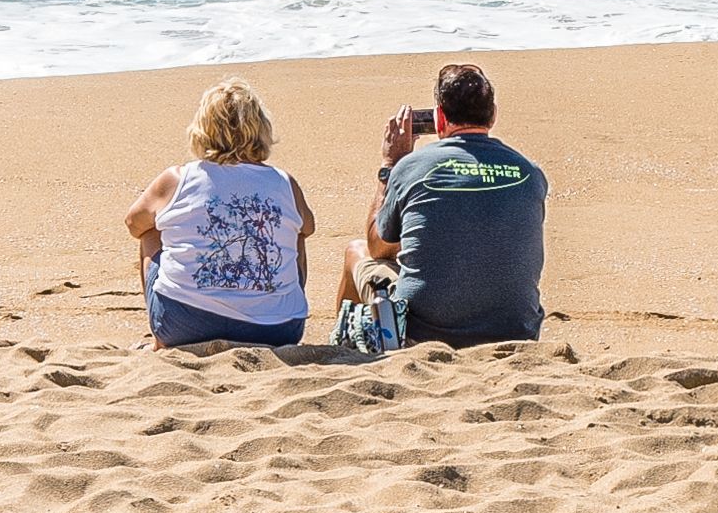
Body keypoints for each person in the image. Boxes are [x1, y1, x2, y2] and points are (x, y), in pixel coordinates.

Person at [337, 62, 547, 348]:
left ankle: (342, 348)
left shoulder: (411, 167)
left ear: (439, 118)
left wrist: (389, 165)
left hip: (425, 333)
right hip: (516, 330)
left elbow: (378, 246)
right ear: (493, 115)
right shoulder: (529, 172)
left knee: (356, 251)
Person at [123, 79, 316, 347]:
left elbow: (133, 223)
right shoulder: (284, 182)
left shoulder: (177, 178)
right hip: (278, 329)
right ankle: (273, 302)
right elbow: (309, 227)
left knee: (151, 229)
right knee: (297, 233)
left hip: (182, 324)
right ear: (260, 128)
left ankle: (160, 342)